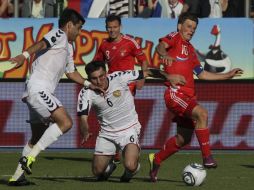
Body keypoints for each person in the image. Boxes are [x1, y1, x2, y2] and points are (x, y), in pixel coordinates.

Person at [8, 8, 102, 186]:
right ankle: (29, 159)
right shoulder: (59, 33)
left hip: (35, 92)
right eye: (78, 27)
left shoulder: (69, 46)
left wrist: (91, 85)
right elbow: (42, 44)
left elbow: (71, 72)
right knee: (66, 122)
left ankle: (17, 176)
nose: (79, 32)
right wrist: (24, 55)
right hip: (39, 89)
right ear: (69, 25)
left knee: (37, 136)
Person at [148, 12, 243, 182]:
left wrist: (227, 75)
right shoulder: (174, 37)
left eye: (194, 28)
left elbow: (202, 74)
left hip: (188, 98)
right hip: (175, 93)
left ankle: (156, 159)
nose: (191, 30)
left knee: (182, 139)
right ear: (179, 26)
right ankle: (207, 157)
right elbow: (160, 46)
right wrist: (164, 55)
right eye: (188, 26)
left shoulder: (191, 50)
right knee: (202, 114)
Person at [77, 61, 186, 182]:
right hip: (107, 134)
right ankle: (110, 166)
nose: (99, 81)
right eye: (94, 78)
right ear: (88, 78)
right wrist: (85, 130)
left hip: (129, 129)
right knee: (97, 171)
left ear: (106, 72)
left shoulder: (119, 78)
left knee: (130, 165)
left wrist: (168, 76)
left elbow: (148, 72)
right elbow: (83, 118)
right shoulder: (86, 92)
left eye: (101, 76)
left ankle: (130, 172)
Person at [94, 14, 149, 162]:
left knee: (120, 113)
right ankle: (118, 149)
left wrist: (142, 78)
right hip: (110, 85)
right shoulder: (104, 45)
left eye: (115, 27)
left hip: (127, 84)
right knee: (111, 115)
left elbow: (144, 61)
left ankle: (128, 146)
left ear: (120, 27)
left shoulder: (131, 43)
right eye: (109, 27)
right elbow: (97, 64)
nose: (112, 30)